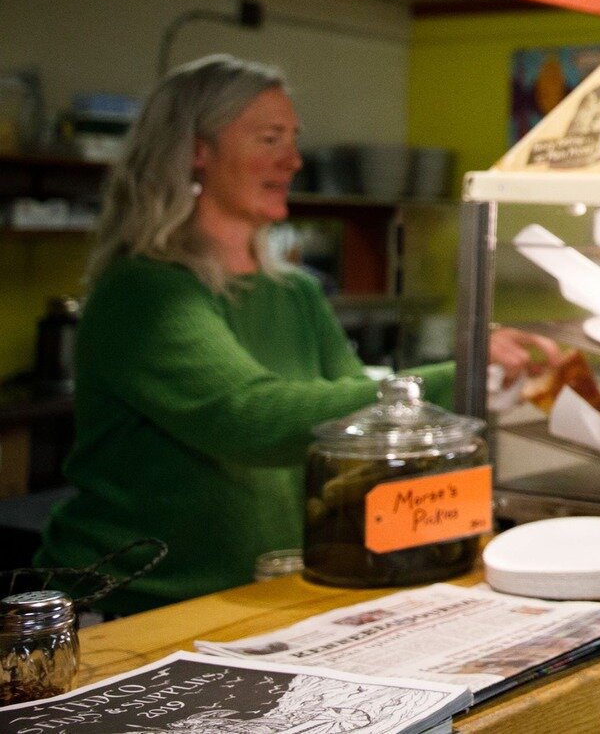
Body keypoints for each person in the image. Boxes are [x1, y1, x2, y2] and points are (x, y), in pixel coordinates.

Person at [36, 55, 552, 613]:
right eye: (268, 138)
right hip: (135, 604)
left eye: (292, 139)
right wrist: (464, 372)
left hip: (268, 594)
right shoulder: (145, 290)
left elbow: (367, 439)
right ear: (195, 150)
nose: (293, 159)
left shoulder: (296, 293)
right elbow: (250, 417)